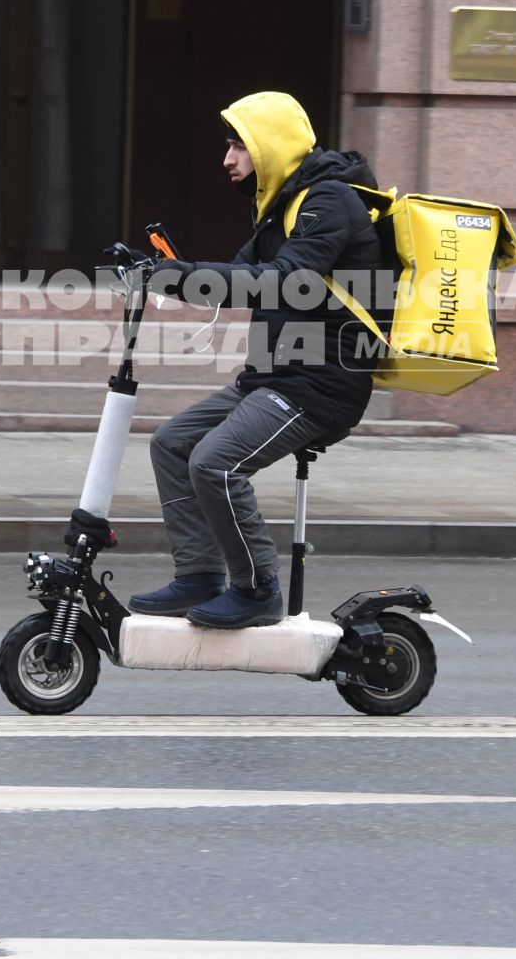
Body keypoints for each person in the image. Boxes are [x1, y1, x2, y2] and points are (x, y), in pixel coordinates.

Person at [128, 90, 384, 629]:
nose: (228, 159)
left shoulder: (327, 202)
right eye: (228, 146)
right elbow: (234, 280)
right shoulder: (281, 208)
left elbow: (286, 282)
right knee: (173, 444)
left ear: (271, 145)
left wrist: (182, 276)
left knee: (215, 462)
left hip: (319, 384)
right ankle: (199, 574)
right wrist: (162, 270)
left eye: (238, 146)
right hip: (274, 376)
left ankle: (257, 588)